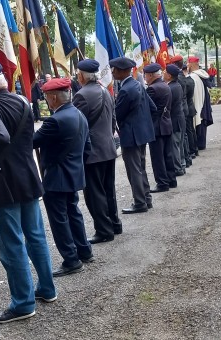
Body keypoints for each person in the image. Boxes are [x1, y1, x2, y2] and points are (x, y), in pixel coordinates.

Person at [0, 62, 56, 323]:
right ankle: (47, 289)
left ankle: (22, 303)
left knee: (12, 246)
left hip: (2, 182)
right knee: (35, 236)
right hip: (27, 177)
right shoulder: (21, 101)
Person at [33, 77, 92, 277]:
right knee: (73, 213)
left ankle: (71, 259)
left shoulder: (55, 120)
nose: (47, 101)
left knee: (59, 220)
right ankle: (84, 250)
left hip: (56, 176)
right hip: (73, 173)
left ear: (54, 98)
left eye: (47, 97)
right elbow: (87, 148)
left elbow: (33, 141)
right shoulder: (78, 114)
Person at [72, 59, 122, 244]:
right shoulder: (104, 89)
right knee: (108, 189)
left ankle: (103, 230)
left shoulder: (81, 95)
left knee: (95, 193)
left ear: (81, 76)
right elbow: (112, 118)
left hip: (93, 152)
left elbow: (78, 125)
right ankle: (114, 224)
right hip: (108, 147)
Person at [112, 57, 156, 213]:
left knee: (134, 170)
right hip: (142, 134)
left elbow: (119, 114)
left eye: (115, 69)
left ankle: (139, 202)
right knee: (141, 168)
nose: (113, 72)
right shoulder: (138, 85)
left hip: (131, 135)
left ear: (123, 71)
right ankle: (146, 199)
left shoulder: (125, 90)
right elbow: (152, 107)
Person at [144, 63, 176, 193]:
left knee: (158, 157)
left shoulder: (152, 89)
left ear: (151, 75)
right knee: (168, 155)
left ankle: (162, 183)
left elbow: (148, 109)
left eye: (146, 75)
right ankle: (171, 180)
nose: (145, 77)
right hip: (166, 124)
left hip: (157, 126)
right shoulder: (165, 86)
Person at [170, 55, 194, 168]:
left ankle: (183, 161)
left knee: (180, 137)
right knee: (183, 136)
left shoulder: (178, 78)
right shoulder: (183, 77)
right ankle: (187, 159)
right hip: (184, 108)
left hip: (179, 110)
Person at [189, 56, 214, 151]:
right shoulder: (203, 74)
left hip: (199, 102)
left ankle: (199, 144)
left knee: (199, 122)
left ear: (191, 65)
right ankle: (202, 143)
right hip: (205, 102)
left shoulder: (194, 76)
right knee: (203, 122)